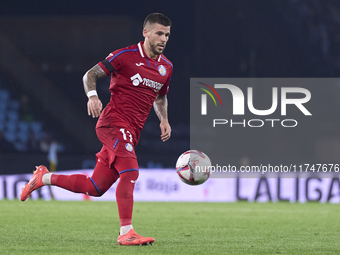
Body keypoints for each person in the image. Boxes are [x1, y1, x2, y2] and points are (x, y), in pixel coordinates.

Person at [20, 13, 173, 246]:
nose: (164, 39)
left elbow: (160, 97)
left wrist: (164, 119)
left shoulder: (166, 67)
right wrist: (92, 96)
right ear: (146, 32)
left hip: (132, 131)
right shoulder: (125, 56)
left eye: (167, 35)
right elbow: (90, 74)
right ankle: (126, 232)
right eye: (159, 33)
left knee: (95, 187)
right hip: (112, 123)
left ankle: (44, 177)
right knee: (130, 172)